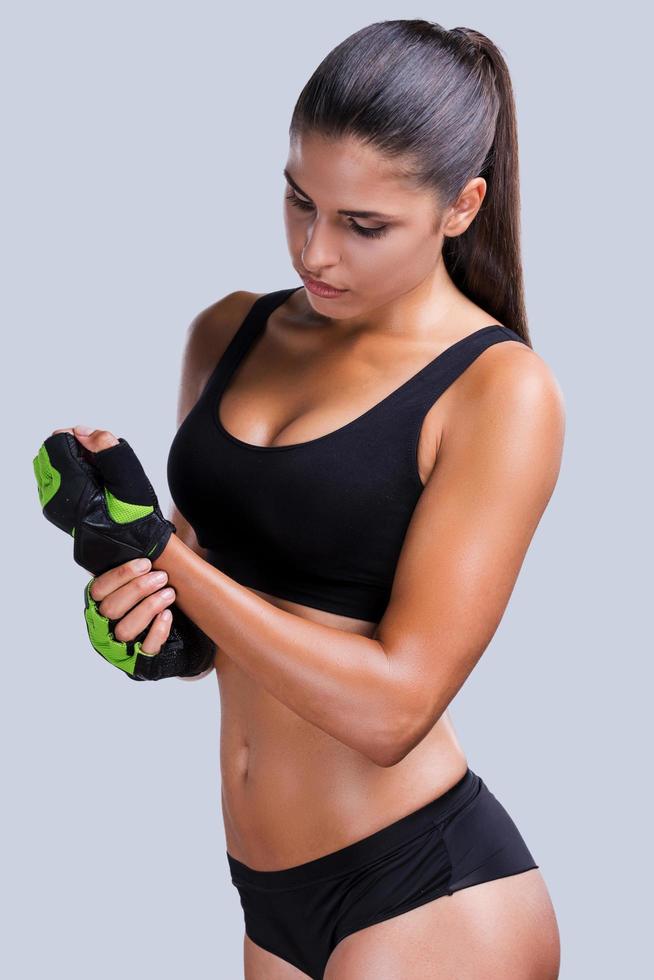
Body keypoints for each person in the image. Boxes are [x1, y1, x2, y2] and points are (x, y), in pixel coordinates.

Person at [60, 19, 565, 980]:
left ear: (460, 207)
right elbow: (222, 624)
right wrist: (154, 625)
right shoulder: (229, 331)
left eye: (364, 225)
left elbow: (394, 710)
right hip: (268, 897)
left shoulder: (499, 391)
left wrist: (166, 558)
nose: (317, 252)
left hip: (427, 894)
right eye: (300, 203)